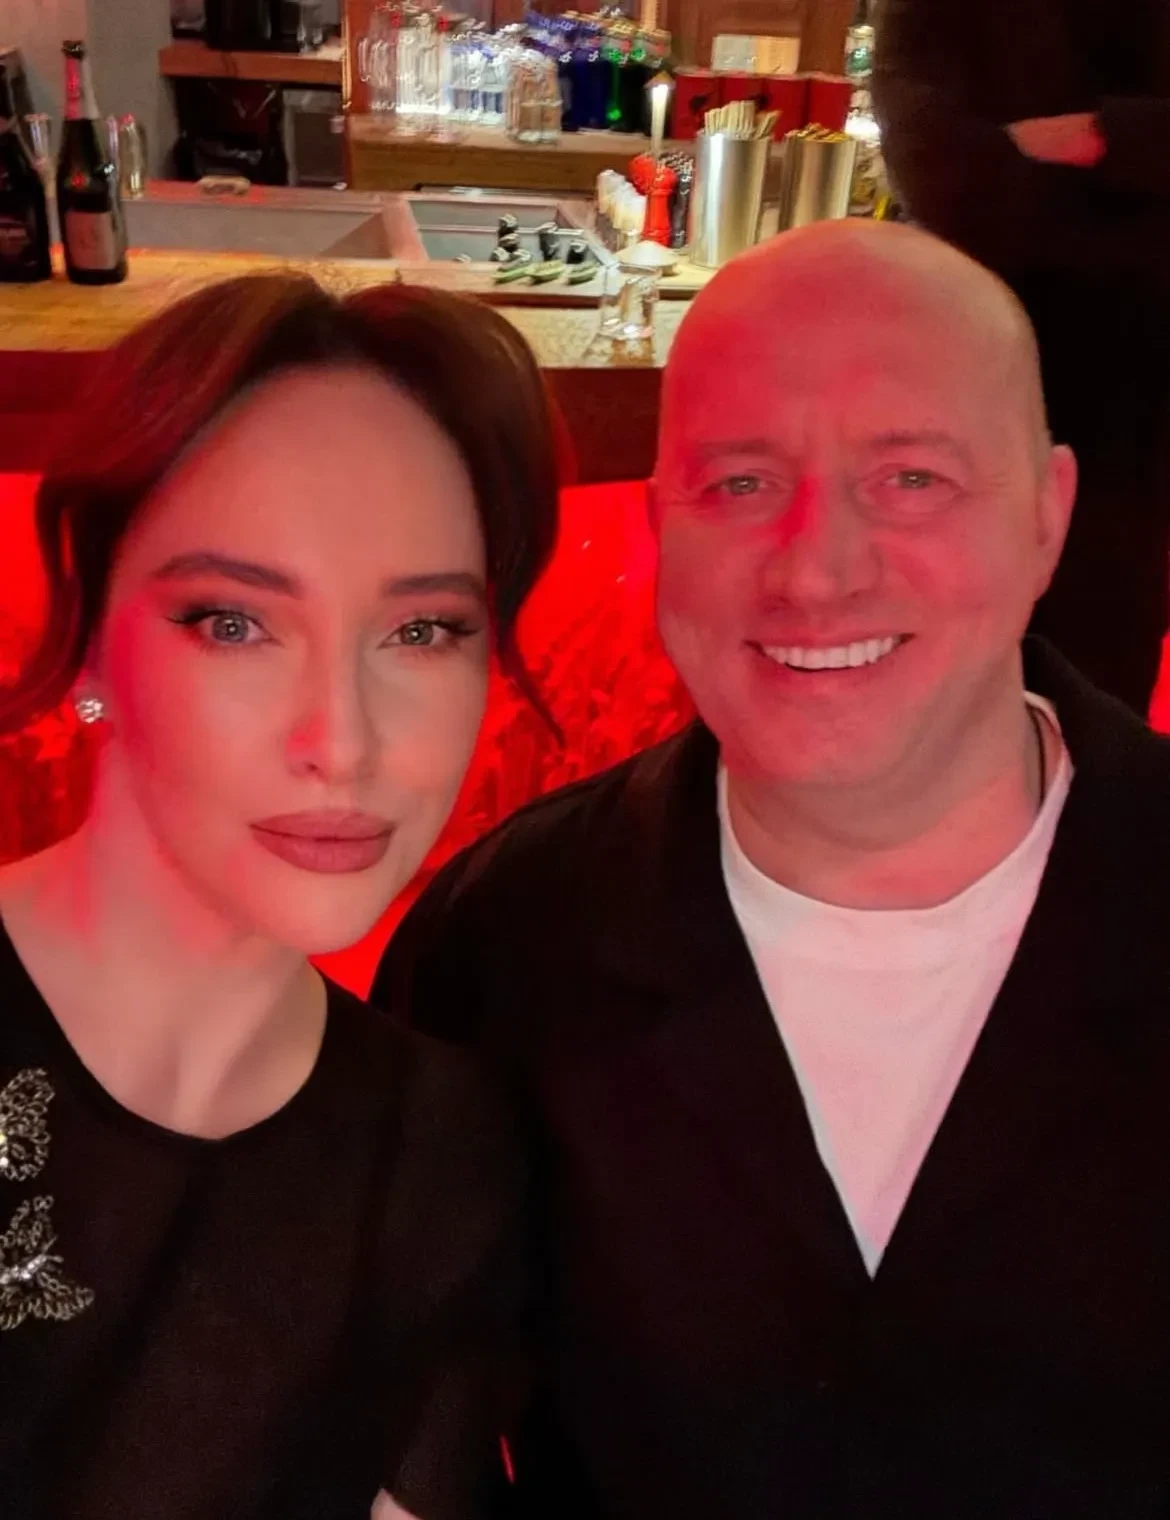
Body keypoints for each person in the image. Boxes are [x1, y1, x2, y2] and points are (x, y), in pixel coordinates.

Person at [375, 220, 1170, 1518]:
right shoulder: (500, 946)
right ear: (659, 522)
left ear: (1047, 515)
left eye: (910, 477)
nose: (815, 568)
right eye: (739, 482)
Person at [0, 272, 559, 1519]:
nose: (341, 741)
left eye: (422, 630)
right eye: (234, 622)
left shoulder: (442, 1153)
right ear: (89, 632)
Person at [873, 0, 1170, 715]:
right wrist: (1136, 175)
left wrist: (1095, 133)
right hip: (959, 383)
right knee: (928, 678)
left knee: (1097, 697)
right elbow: (939, 172)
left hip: (1132, 424)